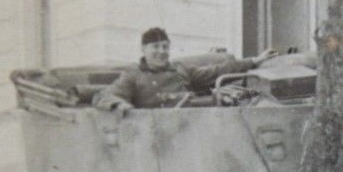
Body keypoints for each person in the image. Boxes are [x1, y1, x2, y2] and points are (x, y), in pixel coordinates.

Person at [93, 27, 276, 111]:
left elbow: (217, 71)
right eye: (155, 47)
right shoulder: (134, 75)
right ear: (144, 49)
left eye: (165, 47)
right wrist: (122, 106)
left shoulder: (180, 70)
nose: (161, 52)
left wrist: (254, 60)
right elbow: (104, 96)